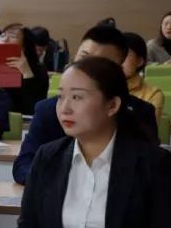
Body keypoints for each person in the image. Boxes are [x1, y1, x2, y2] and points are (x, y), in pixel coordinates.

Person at [14, 56, 171, 228]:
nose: (64, 108)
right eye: (60, 97)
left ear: (112, 105)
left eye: (77, 97)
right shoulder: (47, 157)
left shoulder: (153, 163)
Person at [13, 25, 159, 184]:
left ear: (118, 70)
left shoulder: (139, 113)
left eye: (100, 64)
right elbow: (23, 166)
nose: (86, 68)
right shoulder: (49, 110)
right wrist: (67, 183)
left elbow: (149, 172)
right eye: (83, 57)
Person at [0, 25, 50, 116]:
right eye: (3, 35)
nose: (5, 39)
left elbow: (34, 108)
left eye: (12, 36)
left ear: (24, 46)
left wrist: (26, 73)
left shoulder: (39, 70)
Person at [122, 32, 165, 119]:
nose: (119, 59)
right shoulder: (100, 89)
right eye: (115, 54)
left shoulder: (153, 95)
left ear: (140, 61)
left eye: (126, 54)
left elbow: (146, 127)